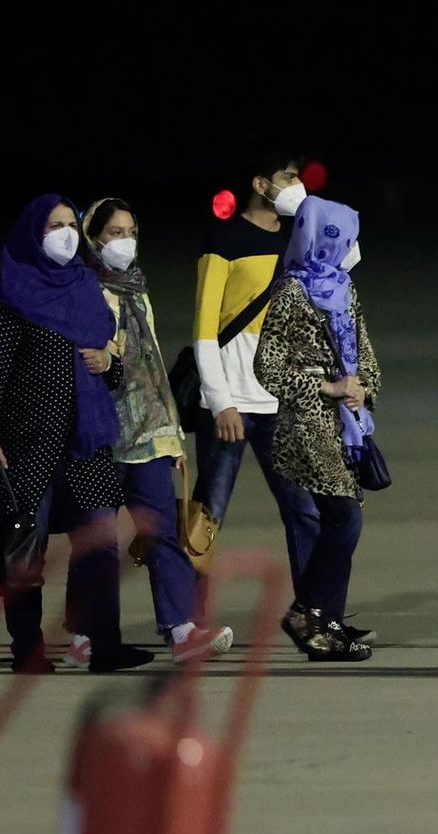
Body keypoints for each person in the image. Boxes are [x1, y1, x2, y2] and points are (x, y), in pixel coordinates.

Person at [0, 195, 154, 673]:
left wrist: (108, 361)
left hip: (85, 440)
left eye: (72, 223)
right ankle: (27, 650)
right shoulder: (12, 291)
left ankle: (103, 644)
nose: (67, 233)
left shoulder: (84, 287)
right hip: (26, 442)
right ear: (34, 232)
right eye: (56, 225)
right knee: (26, 549)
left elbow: (111, 372)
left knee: (100, 542)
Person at [70, 197, 233, 663]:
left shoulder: (136, 291)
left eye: (130, 232)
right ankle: (85, 635)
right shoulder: (82, 289)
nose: (125, 242)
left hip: (145, 434)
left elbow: (152, 365)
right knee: (98, 541)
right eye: (115, 233)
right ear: (93, 237)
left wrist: (170, 433)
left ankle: (181, 631)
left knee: (162, 530)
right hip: (99, 433)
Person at [191, 150, 325, 646]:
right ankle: (191, 622)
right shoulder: (224, 239)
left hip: (279, 402)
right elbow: (205, 330)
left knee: (306, 513)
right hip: (229, 405)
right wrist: (220, 400)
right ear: (260, 183)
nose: (297, 186)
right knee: (209, 515)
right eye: (288, 178)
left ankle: (314, 618)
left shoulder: (297, 240)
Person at [255, 196, 380, 662]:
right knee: (345, 517)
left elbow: (365, 354)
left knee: (340, 520)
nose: (352, 247)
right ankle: (310, 614)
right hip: (307, 425)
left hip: (348, 424)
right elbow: (267, 368)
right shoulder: (290, 292)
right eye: (346, 237)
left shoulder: (345, 288)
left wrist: (363, 389)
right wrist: (325, 387)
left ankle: (326, 621)